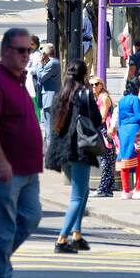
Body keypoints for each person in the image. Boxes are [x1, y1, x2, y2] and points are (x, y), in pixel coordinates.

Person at [0, 27, 44, 278]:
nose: (26, 55)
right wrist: (0, 161)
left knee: (30, 217)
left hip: (28, 168)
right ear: (5, 51)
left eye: (29, 50)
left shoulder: (20, 80)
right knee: (4, 224)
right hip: (5, 169)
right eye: (21, 50)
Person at [45, 60, 104, 251]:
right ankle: (62, 239)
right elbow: (96, 119)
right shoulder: (84, 95)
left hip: (63, 153)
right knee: (77, 197)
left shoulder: (61, 96)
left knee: (83, 191)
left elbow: (54, 127)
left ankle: (77, 234)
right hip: (79, 150)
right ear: (84, 76)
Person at [110, 78, 140, 198]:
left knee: (124, 157)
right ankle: (138, 188)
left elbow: (119, 118)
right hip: (134, 130)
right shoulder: (135, 99)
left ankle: (126, 190)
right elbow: (139, 116)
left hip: (123, 130)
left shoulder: (122, 100)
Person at [30, 42, 61, 147]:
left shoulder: (52, 63)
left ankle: (50, 152)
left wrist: (39, 64)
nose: (41, 54)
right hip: (45, 98)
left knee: (49, 128)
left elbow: (41, 77)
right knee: (47, 127)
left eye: (42, 51)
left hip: (50, 98)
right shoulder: (49, 62)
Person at [90, 75, 116, 197]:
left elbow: (102, 117)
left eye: (96, 84)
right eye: (91, 85)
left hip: (106, 132)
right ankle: (108, 189)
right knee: (108, 160)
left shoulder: (103, 97)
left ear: (102, 85)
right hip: (104, 131)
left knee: (106, 160)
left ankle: (103, 189)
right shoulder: (98, 97)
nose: (94, 86)